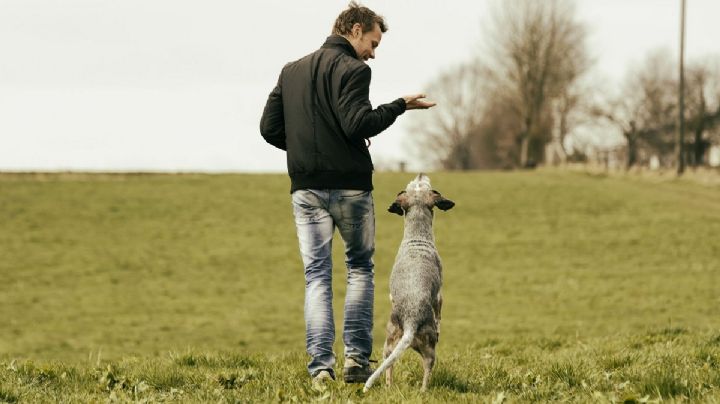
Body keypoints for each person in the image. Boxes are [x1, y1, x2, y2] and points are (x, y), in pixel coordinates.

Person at [259, 1, 436, 385]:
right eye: (372, 42)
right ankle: (356, 361)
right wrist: (399, 105)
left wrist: (306, 148)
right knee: (359, 269)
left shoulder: (290, 72)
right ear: (354, 29)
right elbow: (358, 124)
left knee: (317, 276)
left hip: (305, 188)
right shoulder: (354, 70)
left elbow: (269, 129)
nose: (372, 53)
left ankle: (321, 369)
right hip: (351, 188)